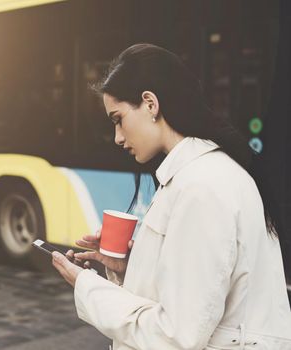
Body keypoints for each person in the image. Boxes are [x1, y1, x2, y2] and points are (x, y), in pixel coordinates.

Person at [52, 43, 291, 349]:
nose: (118, 137)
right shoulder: (197, 175)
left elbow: (176, 336)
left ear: (150, 103)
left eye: (118, 119)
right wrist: (131, 268)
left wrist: (87, 286)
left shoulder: (202, 186)